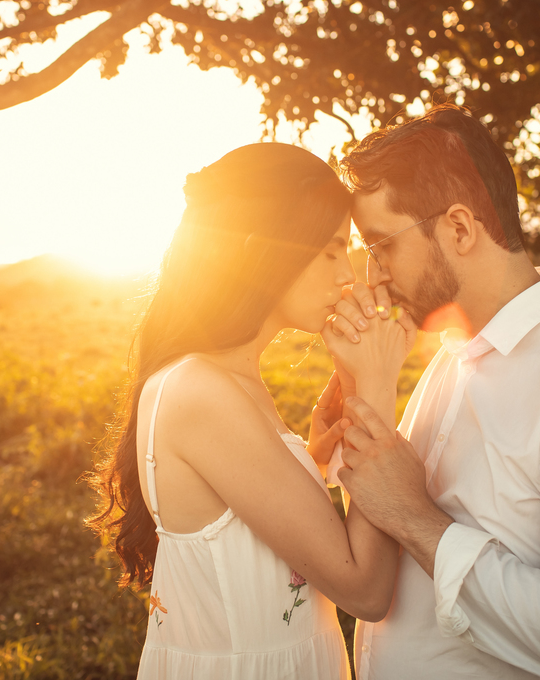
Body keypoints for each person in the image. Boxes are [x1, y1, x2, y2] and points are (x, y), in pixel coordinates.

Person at [320, 105, 540, 679]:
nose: (373, 276)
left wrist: (417, 517)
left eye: (381, 246)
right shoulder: (452, 357)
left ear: (459, 228)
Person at [89, 143, 413, 679]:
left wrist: (315, 456)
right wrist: (377, 387)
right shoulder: (201, 390)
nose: (347, 277)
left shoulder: (224, 378)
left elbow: (239, 532)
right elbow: (367, 591)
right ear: (262, 251)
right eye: (331, 250)